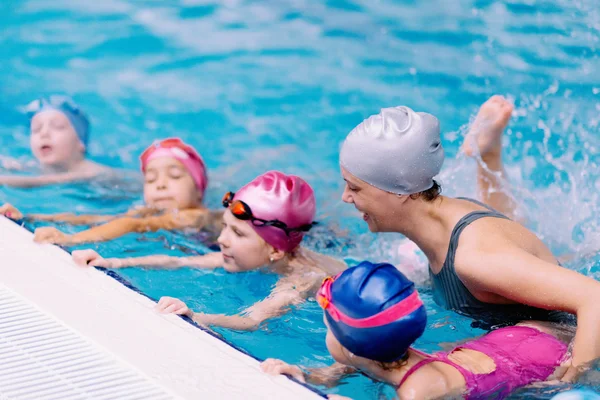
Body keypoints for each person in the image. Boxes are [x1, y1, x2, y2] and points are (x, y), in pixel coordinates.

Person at [338, 95, 600, 378]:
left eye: (355, 188)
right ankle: (488, 156)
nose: (345, 198)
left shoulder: (475, 258)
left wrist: (575, 376)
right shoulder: (444, 221)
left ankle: (488, 154)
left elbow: (594, 297)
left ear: (400, 190)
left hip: (560, 338)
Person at [73, 171, 346, 331]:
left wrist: (194, 316)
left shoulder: (300, 280)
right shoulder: (251, 252)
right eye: (226, 227)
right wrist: (111, 261)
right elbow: (176, 261)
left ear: (275, 251)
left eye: (237, 233)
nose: (221, 239)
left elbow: (253, 320)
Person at [262, 262, 572, 399]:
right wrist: (300, 375)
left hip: (543, 362)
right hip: (514, 337)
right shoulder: (365, 356)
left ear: (350, 343)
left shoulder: (415, 392)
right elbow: (332, 374)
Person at [1, 137, 222, 245]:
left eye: (174, 176)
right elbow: (98, 219)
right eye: (151, 179)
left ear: (198, 191)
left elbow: (132, 225)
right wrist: (29, 218)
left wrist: (71, 239)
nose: (160, 185)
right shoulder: (150, 211)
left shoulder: (197, 215)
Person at [0, 96, 112, 188]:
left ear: (80, 142)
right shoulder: (37, 166)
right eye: (36, 129)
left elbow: (39, 181)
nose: (43, 133)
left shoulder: (90, 172)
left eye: (57, 126)